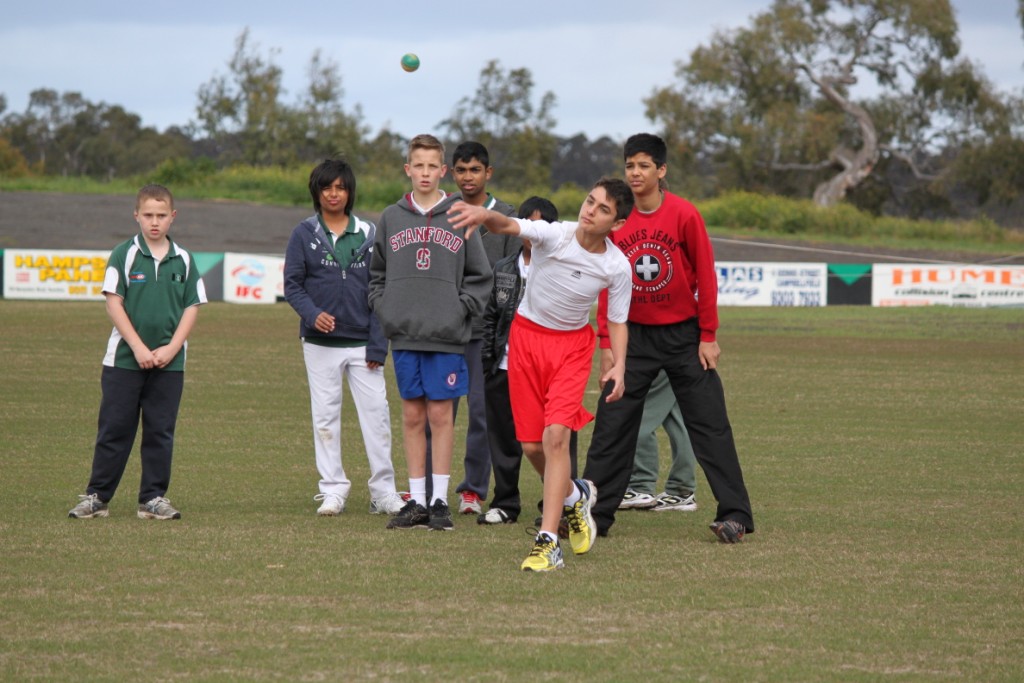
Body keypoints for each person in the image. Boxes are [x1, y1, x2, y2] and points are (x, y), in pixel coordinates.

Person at [448, 178, 633, 571]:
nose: (591, 211)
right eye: (590, 200)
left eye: (603, 209)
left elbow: (616, 321)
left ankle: (548, 542)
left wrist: (619, 363)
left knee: (556, 439)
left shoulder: (616, 266)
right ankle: (574, 497)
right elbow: (509, 226)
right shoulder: (556, 234)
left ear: (616, 224)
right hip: (526, 341)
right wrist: (485, 215)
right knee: (531, 447)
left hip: (571, 349)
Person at [585, 133, 754, 543]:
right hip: (633, 339)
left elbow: (707, 276)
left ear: (661, 171)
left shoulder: (684, 214)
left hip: (684, 337)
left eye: (644, 166)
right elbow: (607, 283)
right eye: (630, 166)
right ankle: (592, 515)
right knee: (612, 424)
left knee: (710, 424)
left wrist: (708, 335)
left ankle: (735, 515)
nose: (636, 173)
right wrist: (607, 343)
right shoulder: (618, 220)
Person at [368, 134, 493, 532]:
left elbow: (481, 276)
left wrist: (460, 312)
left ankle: (440, 501)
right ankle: (416, 501)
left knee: (441, 415)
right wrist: (387, 310)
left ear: (443, 171)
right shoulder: (391, 217)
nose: (424, 173)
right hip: (405, 336)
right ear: (408, 169)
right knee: (411, 415)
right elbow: (376, 277)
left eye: (431, 167)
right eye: (416, 166)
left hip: (446, 336)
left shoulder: (459, 213)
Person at [68, 184, 206, 521]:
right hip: (125, 361)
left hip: (170, 365)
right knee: (115, 428)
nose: (154, 222)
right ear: (137, 216)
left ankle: (153, 498)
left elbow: (192, 307)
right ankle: (97, 497)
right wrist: (140, 348)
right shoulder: (123, 254)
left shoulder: (185, 259)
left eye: (161, 215)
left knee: (160, 431)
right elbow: (113, 304)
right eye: (148, 215)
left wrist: (172, 349)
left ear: (173, 217)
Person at [284, 158, 405, 517]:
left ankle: (383, 491)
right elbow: (292, 284)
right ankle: (333, 489)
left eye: (340, 187)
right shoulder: (303, 233)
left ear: (349, 191)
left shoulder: (370, 232)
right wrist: (311, 314)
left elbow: (380, 290)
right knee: (325, 417)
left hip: (363, 345)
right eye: (326, 187)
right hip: (319, 344)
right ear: (316, 192)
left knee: (377, 417)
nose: (333, 194)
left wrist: (377, 344)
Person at [427, 141, 519, 516]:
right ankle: (430, 489)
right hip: (447, 330)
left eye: (475, 170)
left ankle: (472, 490)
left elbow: (515, 277)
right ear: (452, 172)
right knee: (438, 410)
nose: (468, 177)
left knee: (481, 414)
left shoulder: (507, 217)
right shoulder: (442, 211)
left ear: (488, 173)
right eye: (461, 170)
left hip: (487, 336)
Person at [477, 196, 579, 526]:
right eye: (528, 225)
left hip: (550, 369)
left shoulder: (564, 266)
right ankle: (505, 502)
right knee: (505, 439)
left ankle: (560, 506)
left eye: (542, 226)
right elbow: (491, 316)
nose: (533, 233)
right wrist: (488, 361)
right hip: (505, 368)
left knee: (555, 441)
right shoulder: (504, 268)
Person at [618, 370, 699, 512]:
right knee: (677, 418)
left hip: (665, 354)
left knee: (639, 417)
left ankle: (641, 487)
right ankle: (681, 490)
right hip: (680, 355)